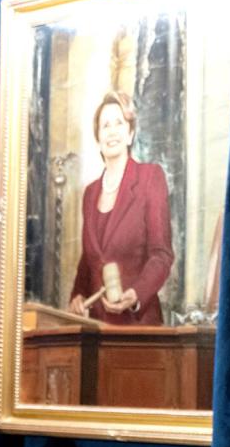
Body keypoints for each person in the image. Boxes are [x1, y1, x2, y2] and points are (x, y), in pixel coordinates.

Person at [68, 91, 174, 325]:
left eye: (119, 123)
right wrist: (78, 296)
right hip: (95, 329)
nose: (112, 131)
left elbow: (162, 254)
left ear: (130, 133)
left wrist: (135, 294)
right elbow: (89, 260)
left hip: (138, 327)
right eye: (105, 125)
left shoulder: (150, 178)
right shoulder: (90, 194)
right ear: (98, 138)